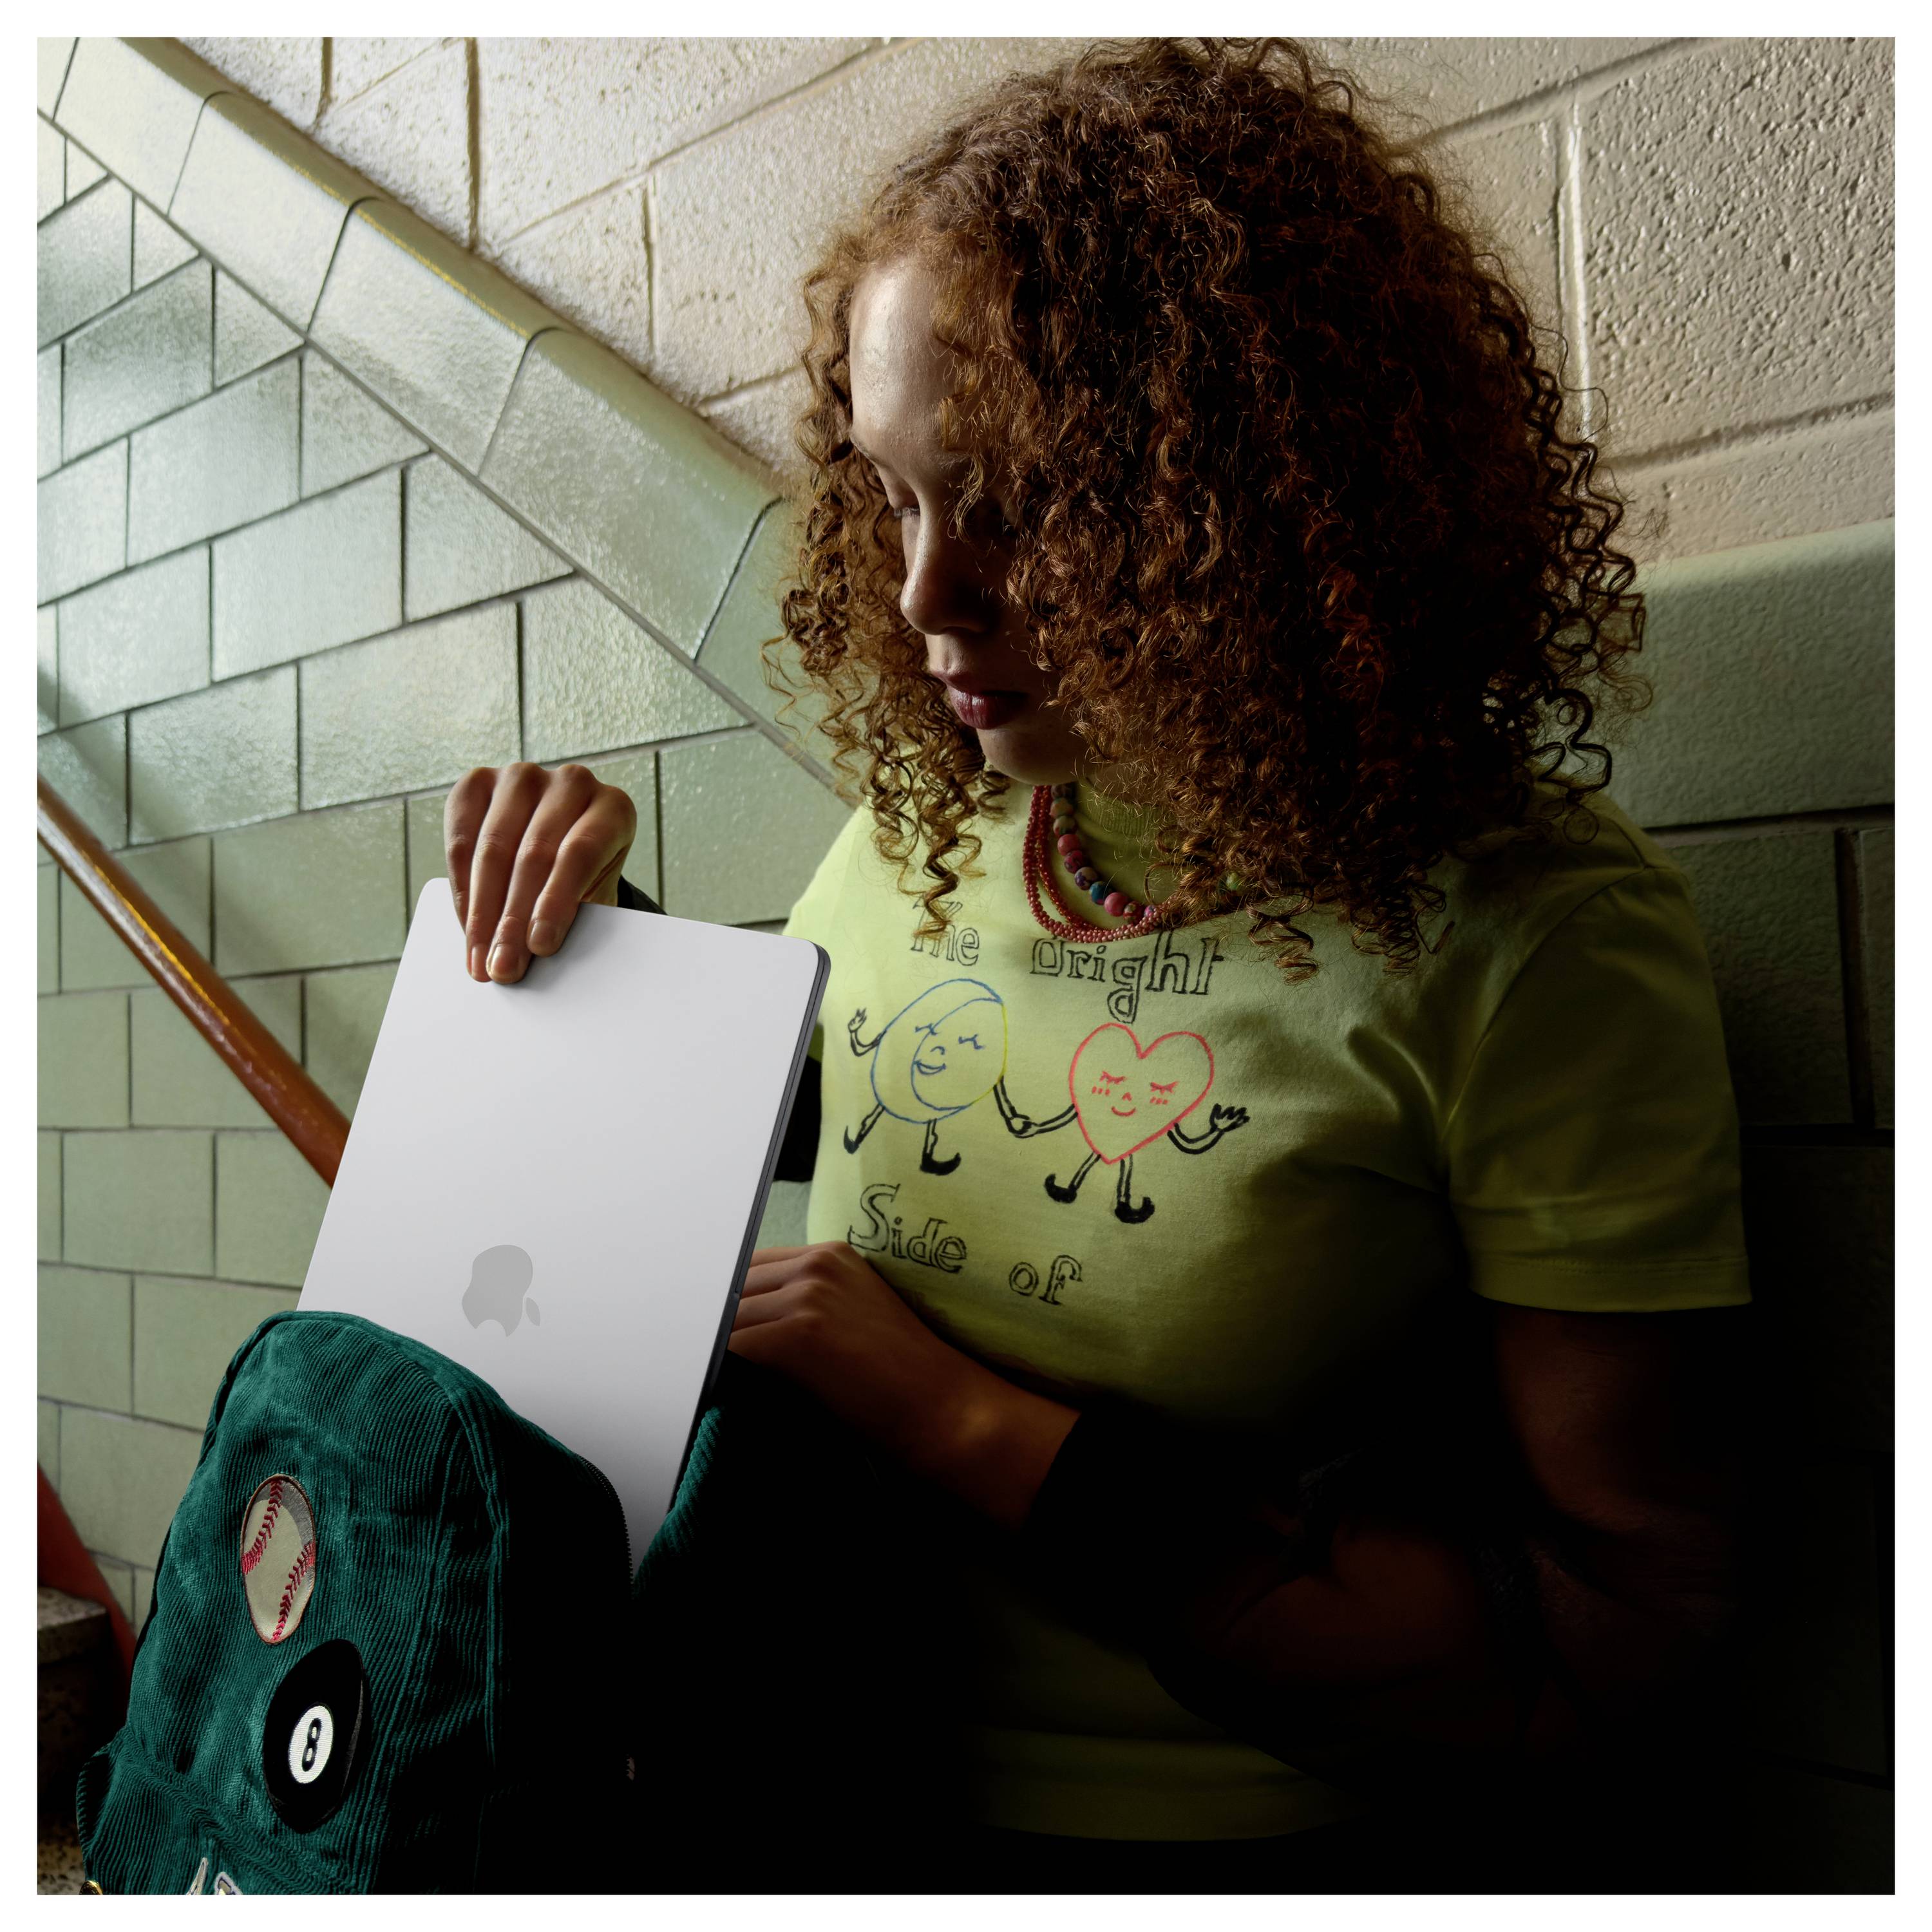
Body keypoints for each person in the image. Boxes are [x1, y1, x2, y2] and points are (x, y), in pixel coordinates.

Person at [441, 39, 1752, 1893]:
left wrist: (958, 1417)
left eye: (1020, 506)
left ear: (1258, 496)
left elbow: (1627, 1642)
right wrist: (575, 958)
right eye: (893, 497)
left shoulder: (1535, 934)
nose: (923, 596)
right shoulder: (923, 838)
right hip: (788, 1775)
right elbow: (676, 1200)